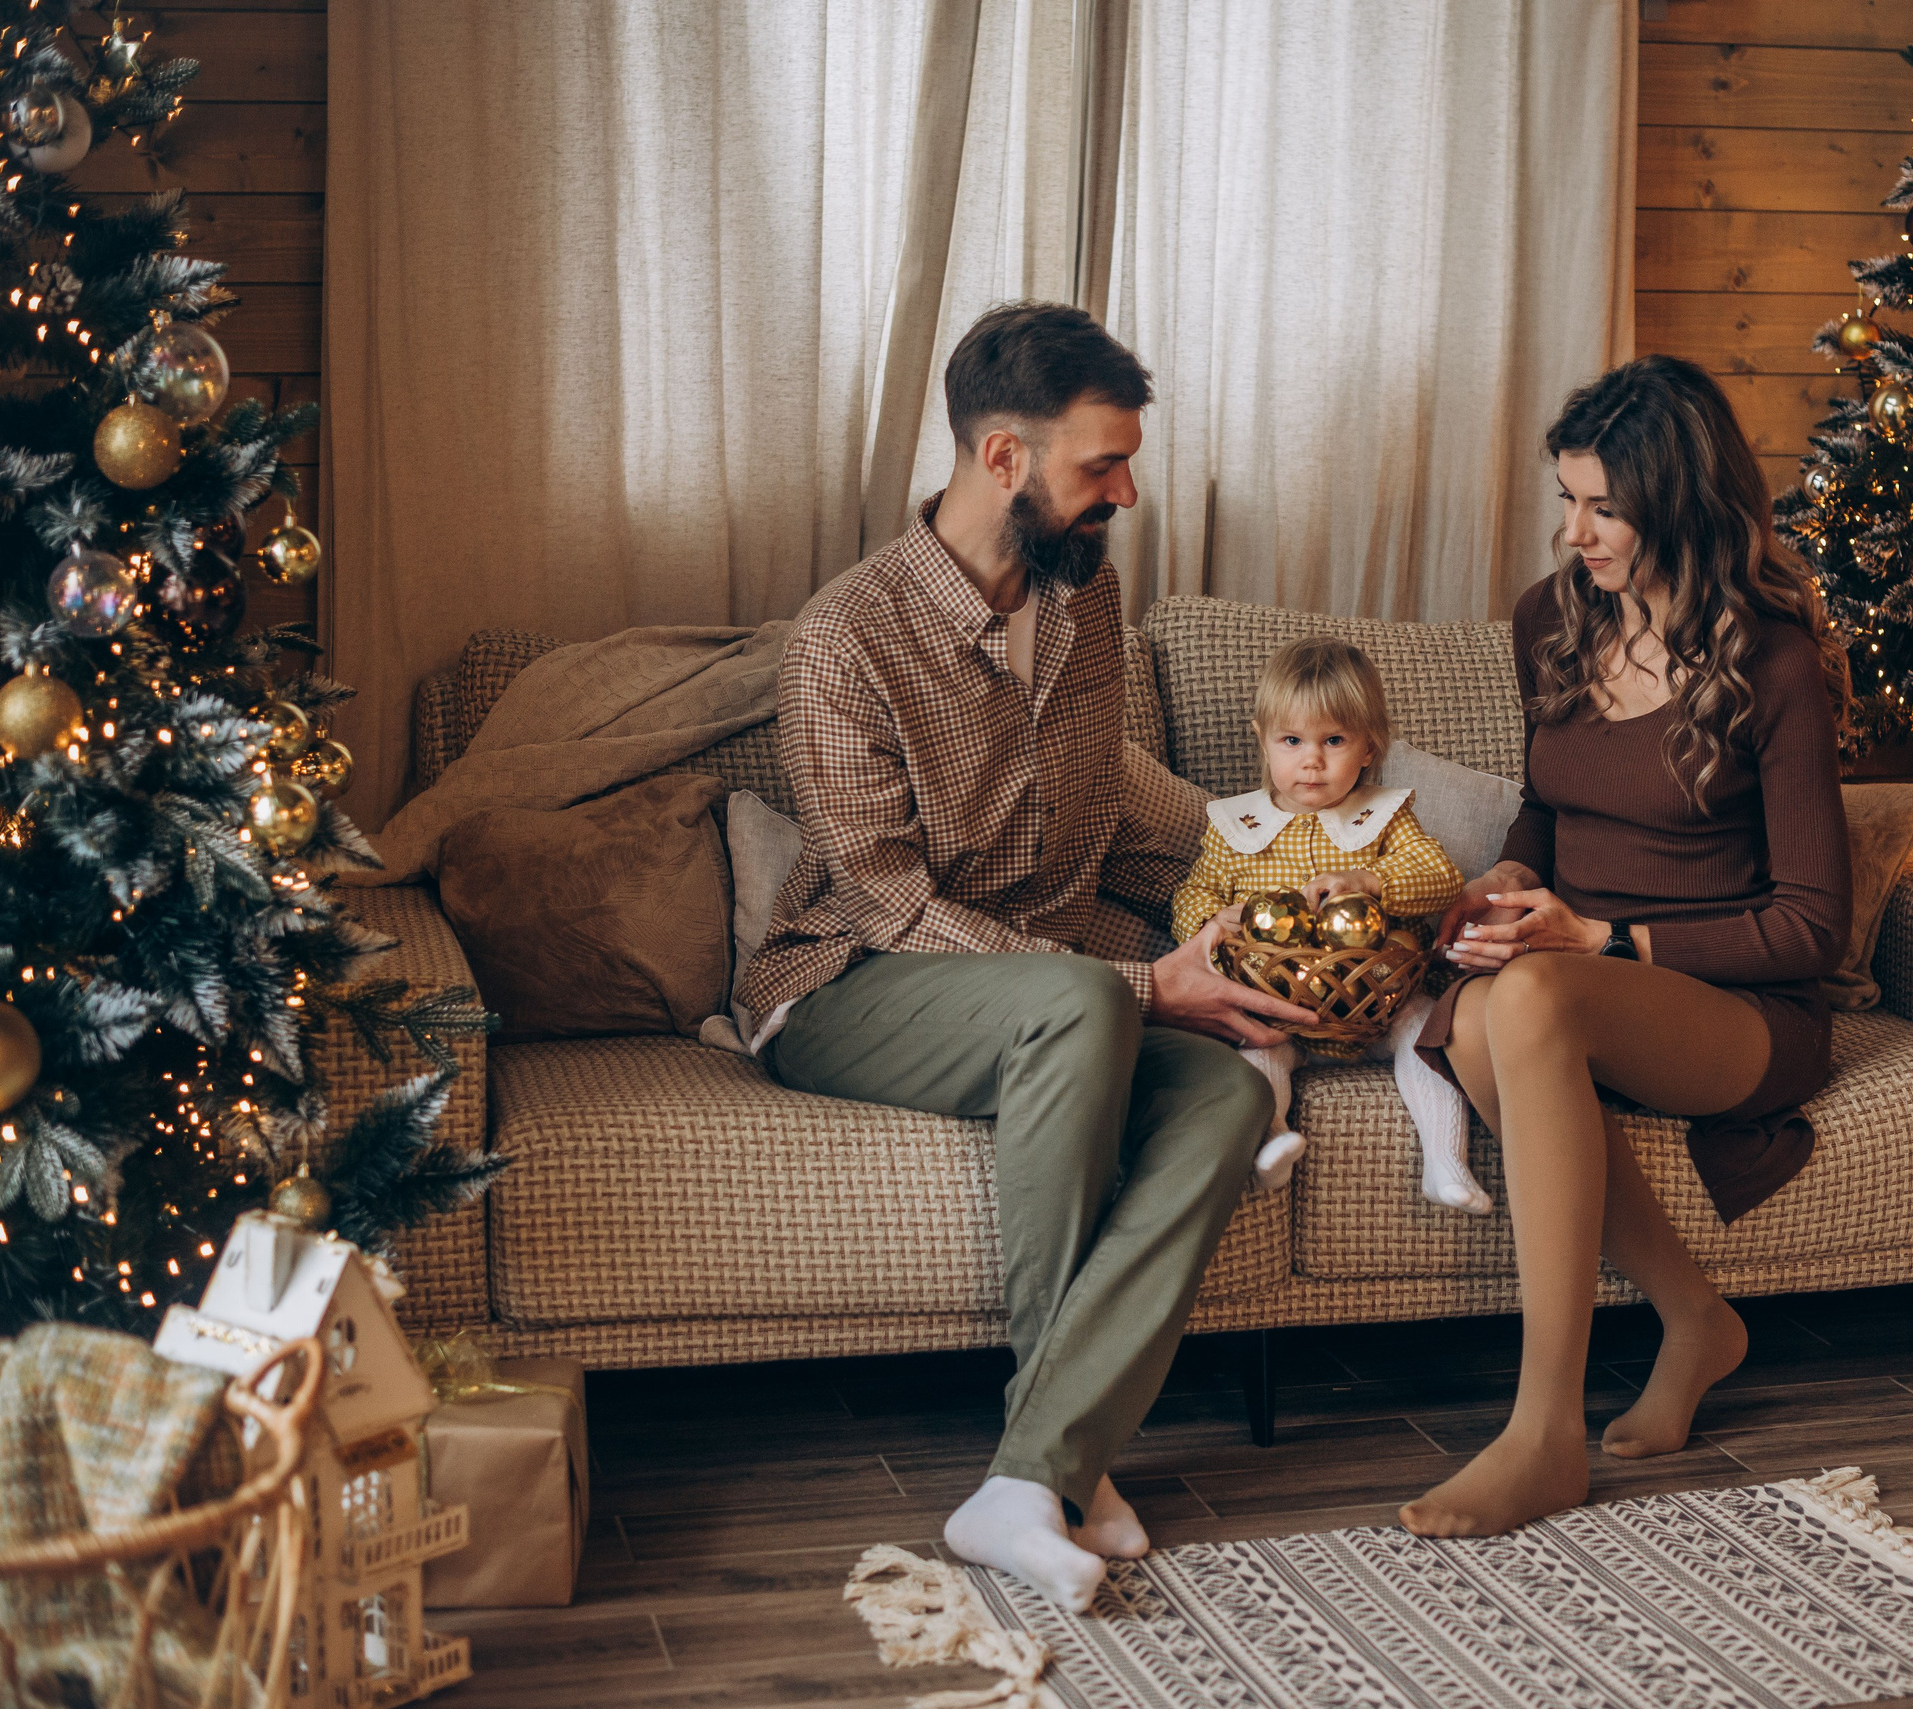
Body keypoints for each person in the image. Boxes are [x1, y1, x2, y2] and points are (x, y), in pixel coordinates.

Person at [735, 302, 1310, 1611]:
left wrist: (1216, 921)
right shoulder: (843, 639)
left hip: (1046, 986)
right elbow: (881, 898)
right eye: (1102, 465)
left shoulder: (1086, 597)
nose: (1127, 491)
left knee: (1227, 1090)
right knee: (1071, 998)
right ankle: (1055, 1463)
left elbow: (1096, 830)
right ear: (1005, 459)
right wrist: (1129, 985)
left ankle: (1035, 1473)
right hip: (846, 982)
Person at [1398, 355, 1852, 1539]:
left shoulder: (1774, 661)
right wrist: (1506, 872)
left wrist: (1602, 934)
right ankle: (1694, 1318)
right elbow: (1552, 807)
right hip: (1569, 969)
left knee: (1530, 1002)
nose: (1574, 531)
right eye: (1566, 498)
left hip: (1739, 1009)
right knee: (1502, 1007)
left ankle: (1543, 1429)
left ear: (1682, 505)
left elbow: (1812, 921)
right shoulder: (1550, 618)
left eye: (1602, 506)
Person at [1169, 636, 1482, 1211]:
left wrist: (1370, 881)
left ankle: (1446, 1162)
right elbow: (1193, 891)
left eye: (1333, 740)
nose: (1311, 760)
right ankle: (1272, 1138)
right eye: (1292, 741)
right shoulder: (1235, 826)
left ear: (1369, 748)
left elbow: (1441, 877)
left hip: (1376, 1003)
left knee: (1428, 1031)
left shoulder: (1386, 818)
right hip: (1277, 1006)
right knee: (1253, 1048)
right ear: (1264, 742)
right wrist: (1216, 919)